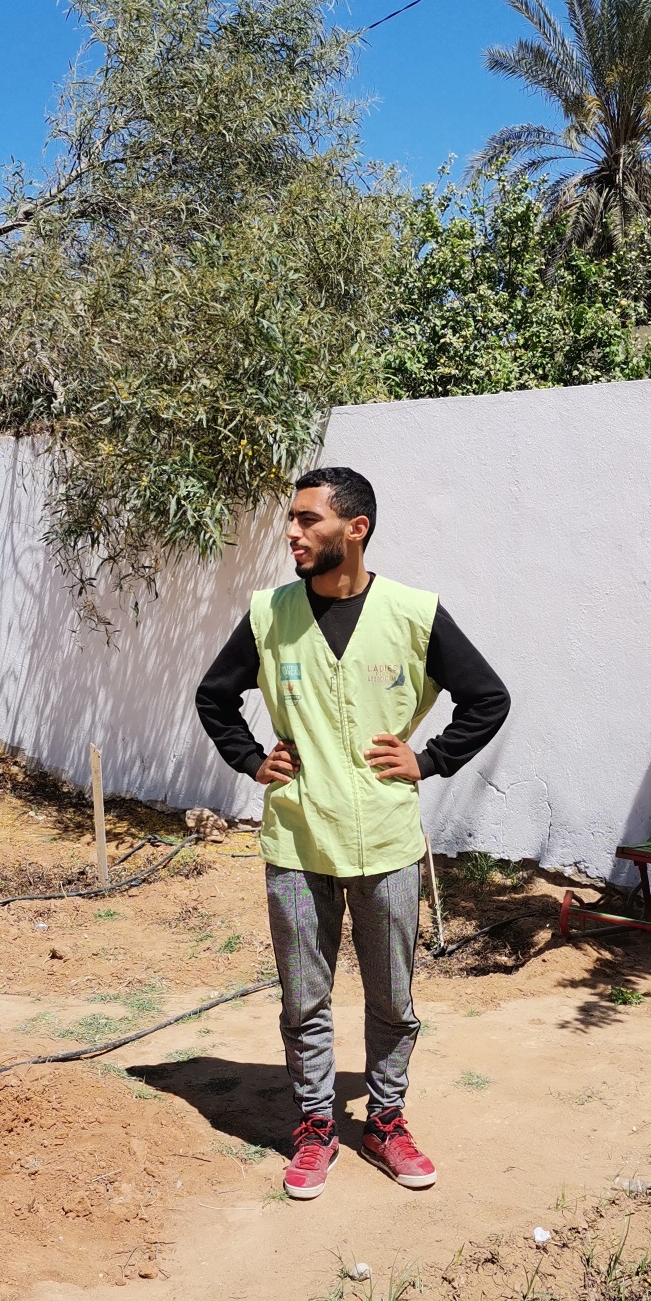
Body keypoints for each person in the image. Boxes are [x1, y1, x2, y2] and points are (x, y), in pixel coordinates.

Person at [196, 467, 510, 1201]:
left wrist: (430, 759)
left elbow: (487, 698)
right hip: (298, 840)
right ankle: (315, 1125)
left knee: (392, 999)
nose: (292, 533)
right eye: (292, 519)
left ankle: (385, 1119)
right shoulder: (271, 614)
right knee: (304, 998)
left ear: (355, 528)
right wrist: (250, 758)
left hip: (386, 843)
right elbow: (214, 696)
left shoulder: (413, 613)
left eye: (307, 520)